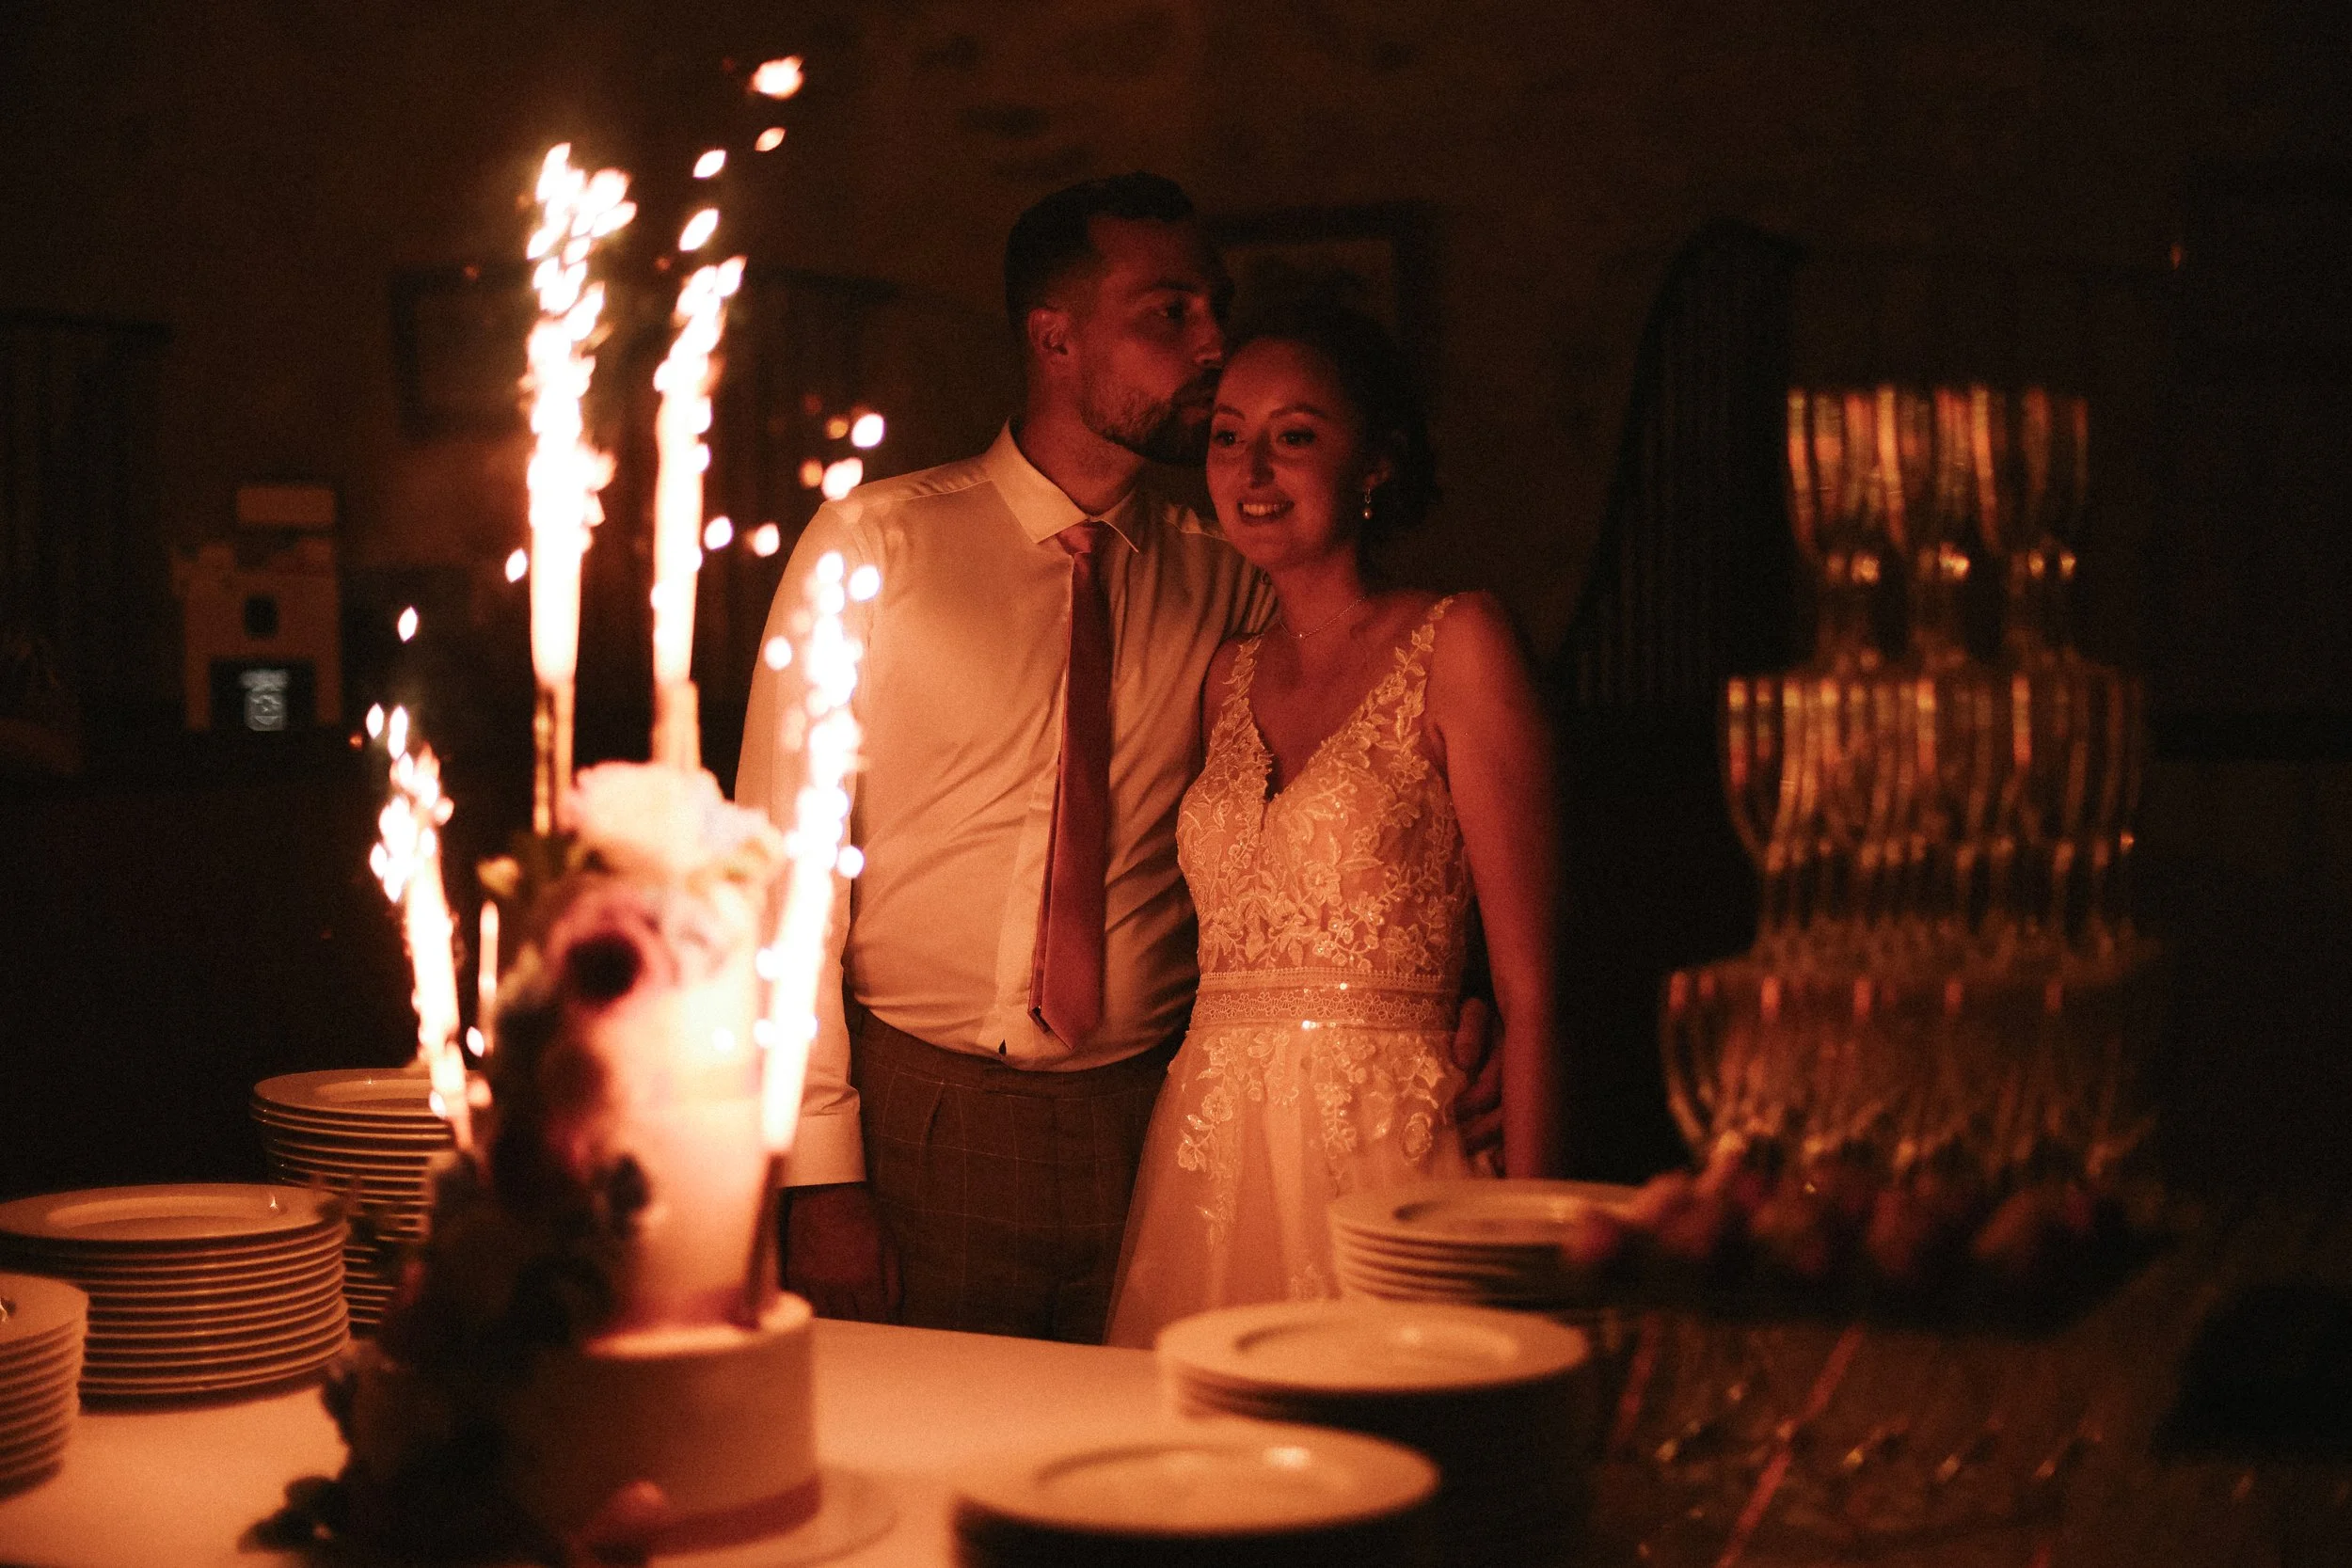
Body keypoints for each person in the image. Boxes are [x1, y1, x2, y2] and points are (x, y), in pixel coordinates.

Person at [736, 175, 1501, 1343]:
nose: (1213, 343)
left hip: (1165, 1124)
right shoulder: (873, 550)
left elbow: (1387, 770)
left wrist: (1458, 997)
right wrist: (819, 1171)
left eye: (1216, 307)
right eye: (1170, 312)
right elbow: (781, 879)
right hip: (923, 1117)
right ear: (1055, 338)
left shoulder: (1234, 575)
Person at [1104, 302, 1561, 1346]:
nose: (1253, 469)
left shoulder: (1459, 641)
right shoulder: (1222, 676)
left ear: (1375, 464)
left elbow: (1536, 994)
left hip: (1392, 1154)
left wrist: (1535, 1266)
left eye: (1295, 435)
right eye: (1228, 436)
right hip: (1211, 1153)